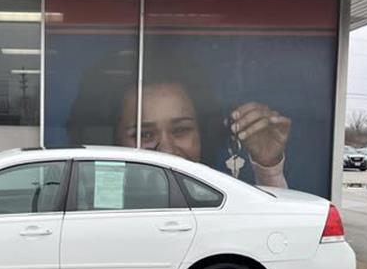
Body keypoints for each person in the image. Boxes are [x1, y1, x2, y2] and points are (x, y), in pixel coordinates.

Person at [66, 50, 291, 188]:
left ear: (204, 133)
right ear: (112, 141)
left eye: (181, 130)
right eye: (144, 134)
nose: (166, 150)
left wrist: (268, 169)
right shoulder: (91, 210)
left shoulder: (217, 207)